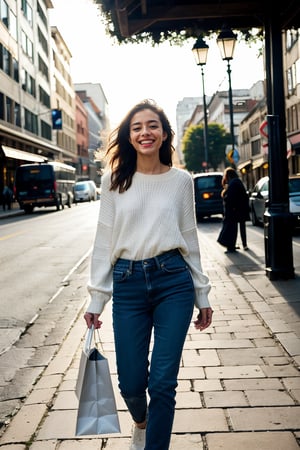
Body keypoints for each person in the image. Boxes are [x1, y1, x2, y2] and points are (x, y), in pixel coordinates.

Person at [83, 99, 213, 450]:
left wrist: (202, 294)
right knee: (131, 383)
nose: (145, 132)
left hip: (174, 282)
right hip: (128, 284)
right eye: (137, 127)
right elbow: (103, 241)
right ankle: (141, 422)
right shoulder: (114, 181)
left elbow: (190, 238)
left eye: (152, 125)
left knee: (162, 384)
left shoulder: (181, 181)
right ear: (128, 135)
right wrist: (97, 298)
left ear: (165, 133)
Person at [217, 167, 250, 253]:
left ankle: (230, 245)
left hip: (234, 210)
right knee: (239, 227)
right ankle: (243, 244)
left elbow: (231, 198)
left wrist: (228, 201)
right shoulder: (237, 182)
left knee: (230, 227)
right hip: (239, 209)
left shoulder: (233, 183)